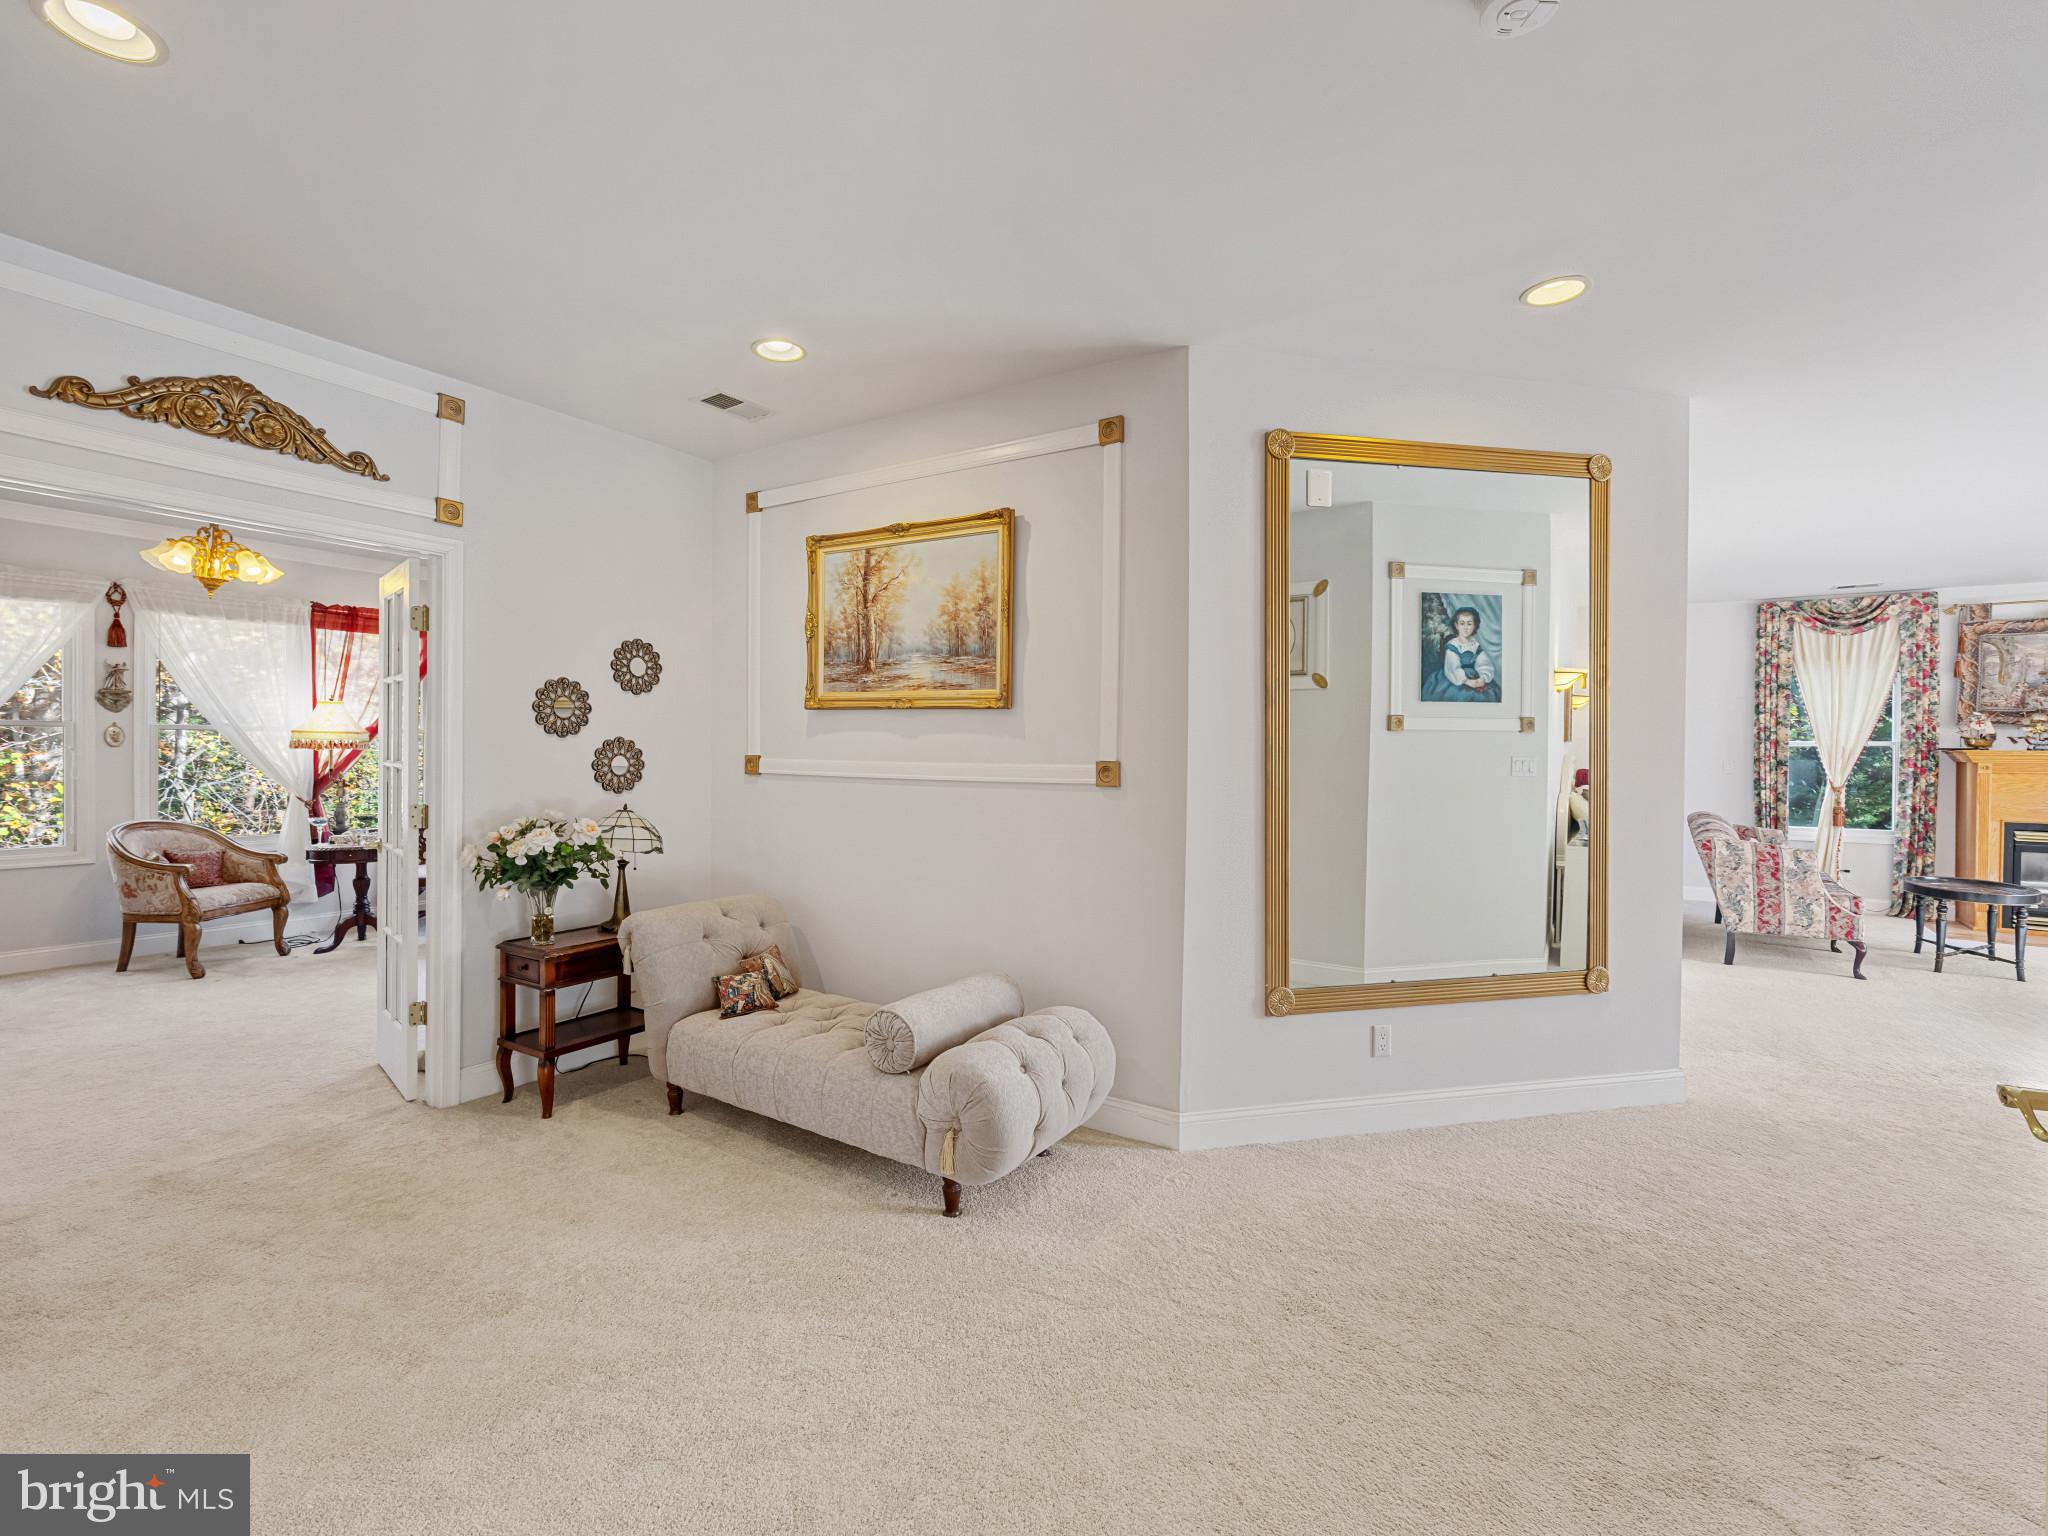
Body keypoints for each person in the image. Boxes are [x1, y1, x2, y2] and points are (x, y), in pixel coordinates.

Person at [1425, 605, 1498, 703]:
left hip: (1474, 675)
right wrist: (1466, 681)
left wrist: (1483, 678)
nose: (1466, 627)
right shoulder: (1453, 645)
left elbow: (1484, 663)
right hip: (1455, 678)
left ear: (1475, 625)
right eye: (1462, 623)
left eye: (1469, 624)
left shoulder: (1476, 644)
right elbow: (1452, 667)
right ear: (1456, 625)